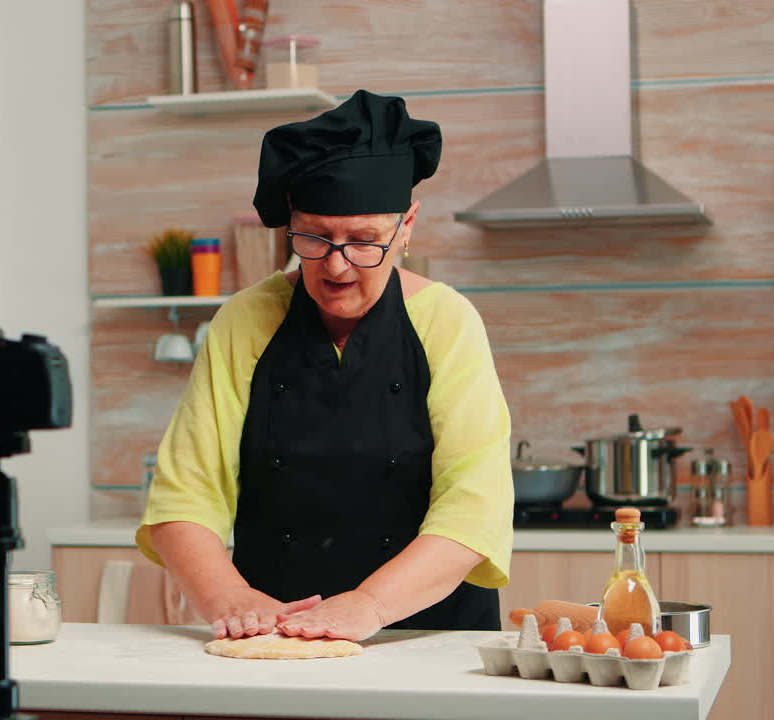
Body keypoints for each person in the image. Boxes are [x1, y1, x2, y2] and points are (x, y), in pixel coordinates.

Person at [135, 90, 513, 642]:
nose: (336, 266)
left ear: (406, 226)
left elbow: (473, 506)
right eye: (314, 237)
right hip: (274, 633)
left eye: (363, 242)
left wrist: (370, 605)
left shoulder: (447, 322)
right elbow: (184, 496)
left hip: (428, 636)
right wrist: (229, 596)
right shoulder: (245, 321)